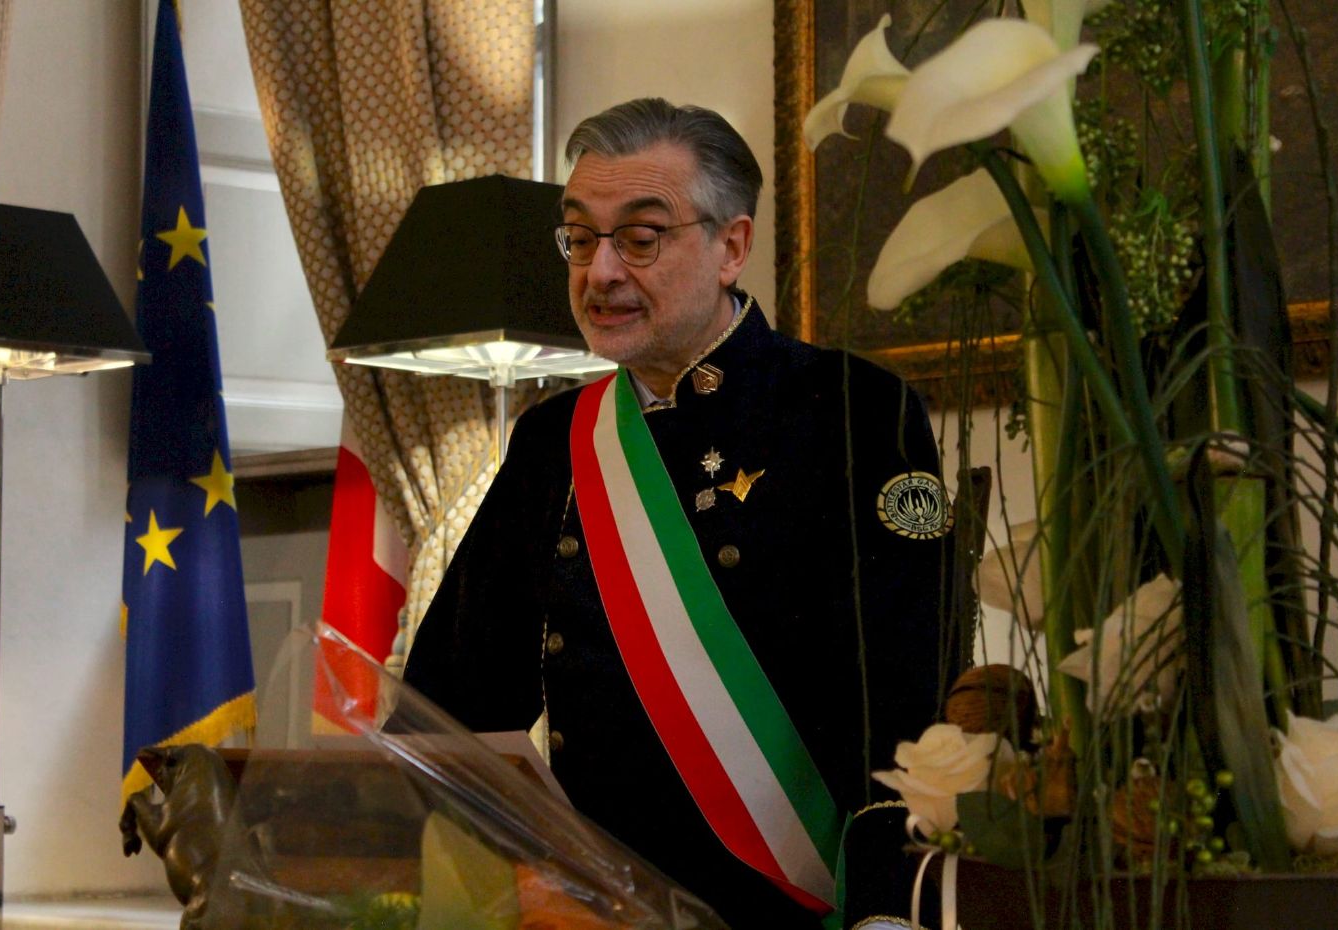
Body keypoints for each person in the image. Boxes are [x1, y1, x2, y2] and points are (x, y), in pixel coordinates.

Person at [404, 98, 949, 929]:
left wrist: (885, 911)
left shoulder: (852, 410)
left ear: (731, 246)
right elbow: (451, 704)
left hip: (794, 909)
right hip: (597, 911)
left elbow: (907, 705)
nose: (599, 273)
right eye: (579, 237)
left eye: (640, 237)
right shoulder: (553, 441)